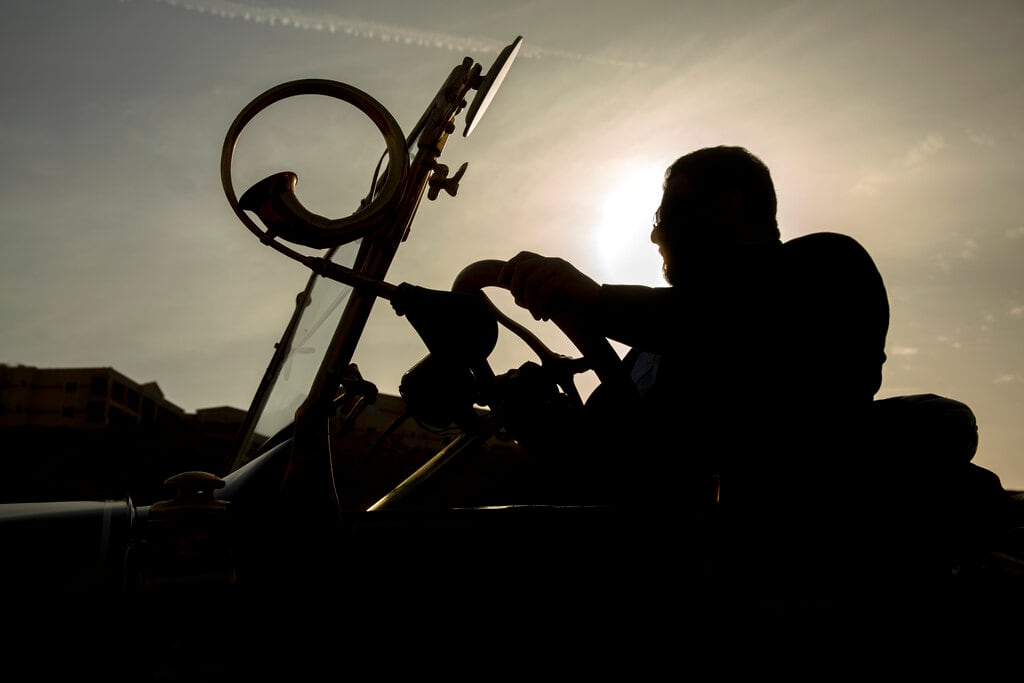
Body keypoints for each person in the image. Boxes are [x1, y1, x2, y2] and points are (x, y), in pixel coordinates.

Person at [498, 146, 892, 605]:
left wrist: (594, 299)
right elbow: (603, 455)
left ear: (728, 206)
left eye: (667, 212)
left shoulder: (826, 267)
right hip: (635, 552)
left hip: (772, 565)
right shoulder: (655, 338)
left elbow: (729, 321)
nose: (654, 234)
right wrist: (538, 416)